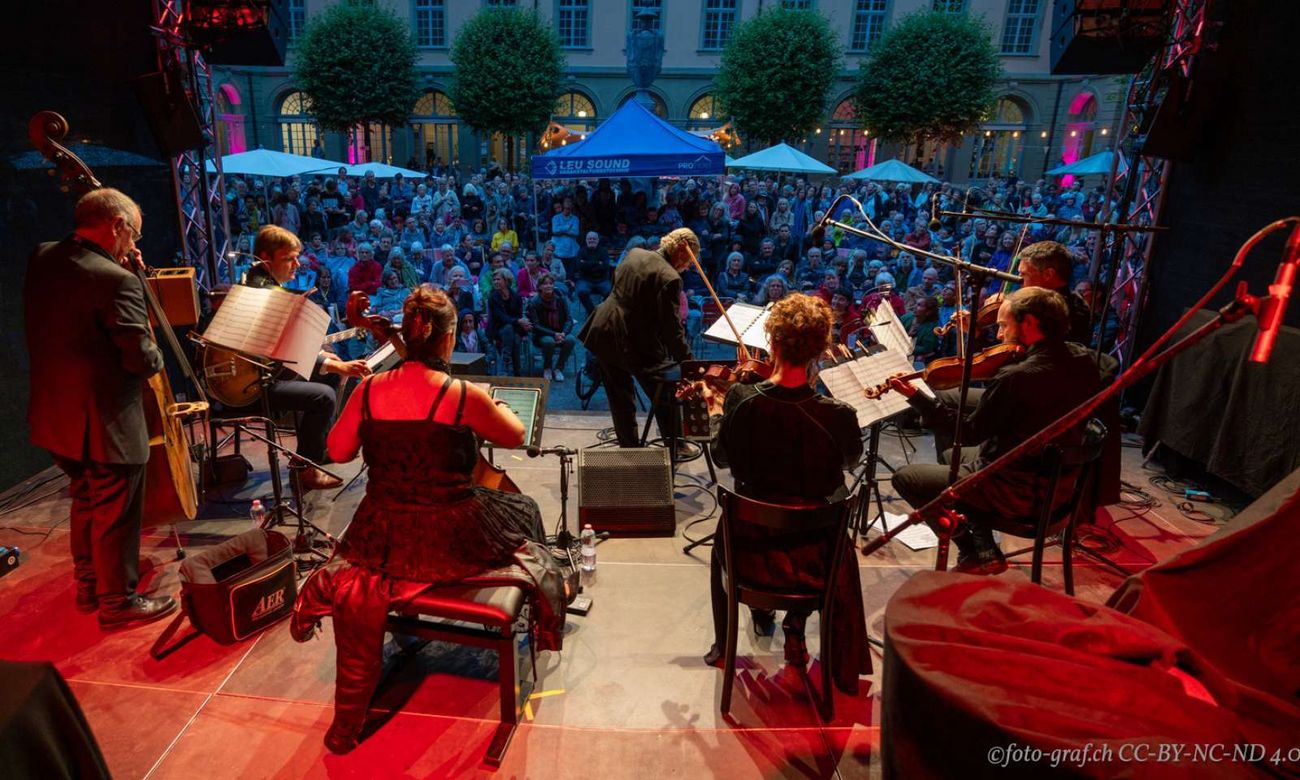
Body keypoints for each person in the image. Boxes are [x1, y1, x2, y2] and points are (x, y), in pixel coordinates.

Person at [292, 285, 566, 754]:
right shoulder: (463, 395)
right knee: (524, 509)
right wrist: (493, 405)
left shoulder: (370, 390)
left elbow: (337, 452)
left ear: (409, 334)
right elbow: (516, 435)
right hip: (451, 531)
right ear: (447, 338)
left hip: (383, 530)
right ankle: (530, 627)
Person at [25, 188, 179, 628]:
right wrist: (134, 288)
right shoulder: (117, 281)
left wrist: (120, 265)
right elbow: (141, 359)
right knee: (116, 513)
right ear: (117, 225)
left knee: (86, 499)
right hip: (106, 419)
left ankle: (89, 584)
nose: (133, 246)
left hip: (56, 415)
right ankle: (118, 602)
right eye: (132, 235)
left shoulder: (42, 257)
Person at [706, 293, 870, 694]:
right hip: (817, 554)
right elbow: (850, 460)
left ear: (772, 344)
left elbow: (721, 458)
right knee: (821, 511)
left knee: (725, 533)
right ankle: (796, 624)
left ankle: (729, 637)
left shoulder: (743, 402)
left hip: (752, 546)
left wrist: (716, 415)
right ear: (822, 350)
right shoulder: (839, 415)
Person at [889, 287, 1105, 574]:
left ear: (1028, 323)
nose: (1000, 336)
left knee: (907, 478)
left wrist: (916, 397)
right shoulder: (1086, 360)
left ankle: (973, 552)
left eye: (1003, 325)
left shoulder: (1018, 377)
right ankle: (984, 546)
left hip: (1014, 490)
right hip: (1058, 487)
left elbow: (968, 431)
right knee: (951, 456)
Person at [242, 226, 371, 489]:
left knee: (330, 379)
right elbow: (289, 352)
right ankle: (304, 471)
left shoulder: (256, 282)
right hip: (257, 381)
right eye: (289, 258)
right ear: (266, 258)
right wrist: (335, 364)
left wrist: (328, 362)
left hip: (266, 371)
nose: (297, 264)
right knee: (323, 397)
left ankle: (319, 450)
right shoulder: (268, 296)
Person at [579, 227, 695, 449]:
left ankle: (630, 448)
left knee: (619, 395)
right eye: (690, 260)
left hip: (603, 327)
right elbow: (672, 329)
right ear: (681, 251)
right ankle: (676, 446)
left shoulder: (634, 253)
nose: (688, 265)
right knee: (664, 393)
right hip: (629, 337)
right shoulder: (670, 278)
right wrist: (688, 362)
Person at [1016, 240, 1093, 345]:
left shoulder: (1065, 310)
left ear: (1048, 274)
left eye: (1024, 274)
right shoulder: (1073, 302)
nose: (1019, 279)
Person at [526, 274, 575, 381]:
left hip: (560, 332)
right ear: (540, 287)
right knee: (549, 342)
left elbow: (569, 319)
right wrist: (554, 334)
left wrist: (563, 333)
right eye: (545, 284)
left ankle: (558, 368)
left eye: (551, 283)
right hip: (542, 334)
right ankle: (547, 367)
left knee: (570, 339)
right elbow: (536, 325)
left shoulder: (561, 299)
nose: (548, 286)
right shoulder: (534, 302)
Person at [487, 268, 529, 376]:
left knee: (514, 336)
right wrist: (518, 321)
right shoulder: (493, 298)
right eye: (494, 280)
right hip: (497, 328)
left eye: (498, 279)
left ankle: (505, 364)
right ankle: (516, 370)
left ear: (506, 280)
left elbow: (518, 314)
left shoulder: (516, 297)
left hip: (514, 328)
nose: (496, 282)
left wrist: (520, 322)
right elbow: (501, 317)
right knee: (508, 329)